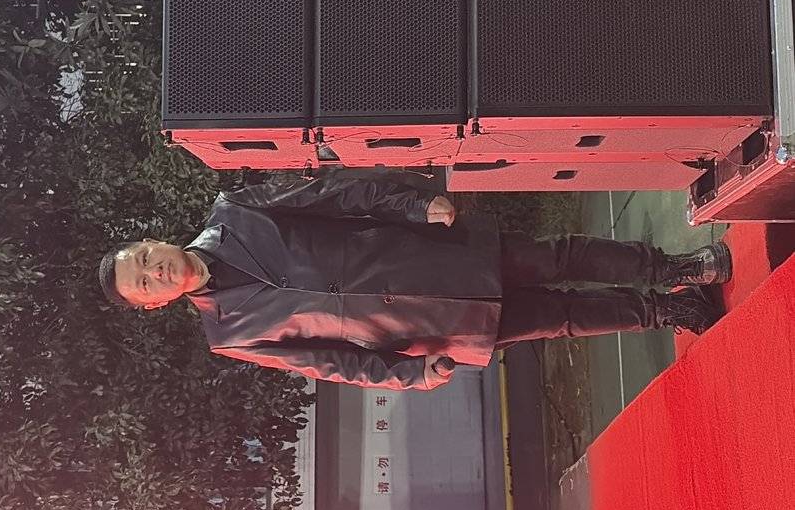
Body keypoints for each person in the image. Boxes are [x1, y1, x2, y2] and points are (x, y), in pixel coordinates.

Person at [98, 175, 730, 391]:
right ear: (154, 304)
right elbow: (328, 362)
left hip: (428, 253)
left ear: (154, 241)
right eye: (145, 284)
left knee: (558, 257)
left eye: (145, 258)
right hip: (426, 328)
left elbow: (334, 195)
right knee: (557, 319)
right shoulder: (229, 336)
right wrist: (407, 375)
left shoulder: (237, 212)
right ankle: (665, 312)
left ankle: (674, 269)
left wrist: (411, 204)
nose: (156, 271)